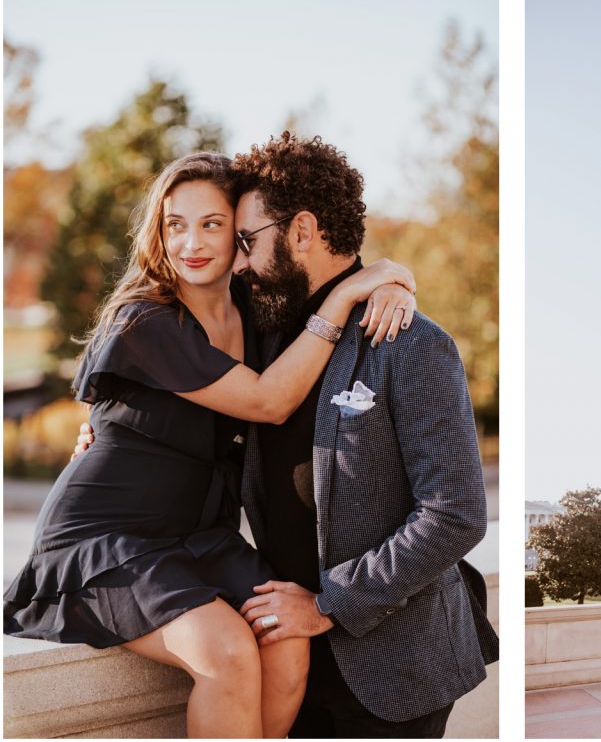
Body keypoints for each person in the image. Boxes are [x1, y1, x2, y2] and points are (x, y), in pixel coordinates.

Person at [3, 151, 417, 738]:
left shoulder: (257, 315)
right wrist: (346, 298)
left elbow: (334, 270)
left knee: (286, 644)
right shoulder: (147, 321)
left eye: (212, 224)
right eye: (175, 224)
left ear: (241, 234)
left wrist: (395, 280)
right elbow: (269, 401)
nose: (190, 243)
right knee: (228, 655)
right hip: (109, 537)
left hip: (202, 537)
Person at [224, 132, 498, 738]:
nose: (237, 262)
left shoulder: (413, 345)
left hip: (395, 676)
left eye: (246, 241)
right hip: (283, 659)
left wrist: (327, 606)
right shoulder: (256, 335)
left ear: (302, 231)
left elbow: (454, 515)